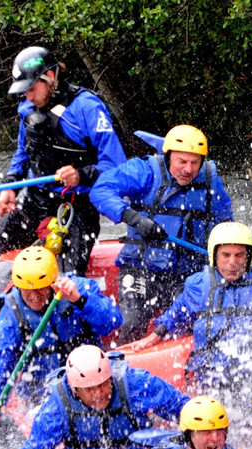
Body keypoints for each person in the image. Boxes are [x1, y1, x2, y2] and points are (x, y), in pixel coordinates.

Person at [0, 46, 127, 276]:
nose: (27, 96)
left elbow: (116, 166)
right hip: (36, 198)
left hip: (77, 205)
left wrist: (80, 175)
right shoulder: (27, 108)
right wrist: (11, 186)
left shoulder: (87, 107)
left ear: (51, 78)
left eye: (31, 88)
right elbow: (23, 152)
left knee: (68, 279)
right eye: (23, 90)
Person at [136, 221, 252, 431]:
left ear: (249, 256)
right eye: (226, 255)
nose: (233, 262)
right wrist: (156, 334)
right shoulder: (200, 285)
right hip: (213, 379)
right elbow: (177, 314)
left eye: (239, 255)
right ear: (214, 256)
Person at [89, 125, 234, 342]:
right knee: (131, 322)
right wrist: (136, 219)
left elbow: (226, 226)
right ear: (168, 157)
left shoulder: (211, 180)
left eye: (195, 162)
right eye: (181, 162)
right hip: (141, 267)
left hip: (188, 273)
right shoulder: (144, 170)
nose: (188, 169)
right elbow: (101, 190)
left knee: (191, 326)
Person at [0, 246, 123, 429]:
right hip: (42, 394)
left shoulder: (78, 289)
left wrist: (79, 300)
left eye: (40, 289)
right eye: (27, 290)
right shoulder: (10, 316)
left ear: (53, 282)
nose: (34, 296)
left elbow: (112, 321)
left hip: (91, 383)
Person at [3, 344, 188, 449]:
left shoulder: (135, 384)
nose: (98, 394)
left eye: (102, 385)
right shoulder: (55, 410)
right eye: (89, 389)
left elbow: (183, 408)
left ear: (110, 379)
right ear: (75, 389)